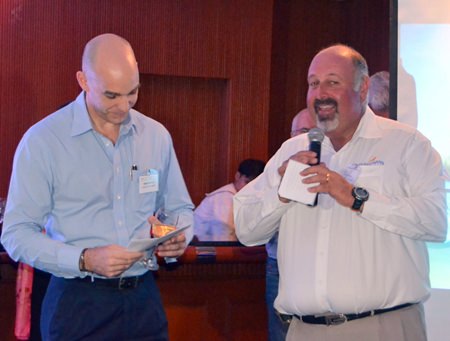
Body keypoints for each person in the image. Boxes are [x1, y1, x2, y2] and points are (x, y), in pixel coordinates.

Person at [234, 44, 447, 341]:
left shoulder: (406, 144)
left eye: (333, 82)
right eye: (313, 83)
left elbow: (436, 222)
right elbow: (247, 231)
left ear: (363, 89)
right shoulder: (292, 150)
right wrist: (281, 194)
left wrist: (355, 198)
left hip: (382, 328)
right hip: (303, 330)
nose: (321, 93)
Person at [1, 33, 194, 341]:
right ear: (83, 80)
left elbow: (180, 208)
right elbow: (15, 234)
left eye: (132, 93)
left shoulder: (156, 136)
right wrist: (84, 258)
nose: (123, 106)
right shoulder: (43, 141)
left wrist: (179, 236)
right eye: (111, 96)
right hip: (78, 301)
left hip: (144, 298)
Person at [265, 107, 316, 341]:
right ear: (291, 134)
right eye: (303, 132)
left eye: (314, 133)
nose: (306, 140)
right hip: (280, 265)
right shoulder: (277, 168)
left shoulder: (330, 169)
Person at [194, 159, 265, 241]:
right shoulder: (224, 197)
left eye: (256, 186)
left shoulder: (245, 198)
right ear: (237, 176)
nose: (250, 189)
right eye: (247, 182)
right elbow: (224, 237)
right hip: (203, 250)